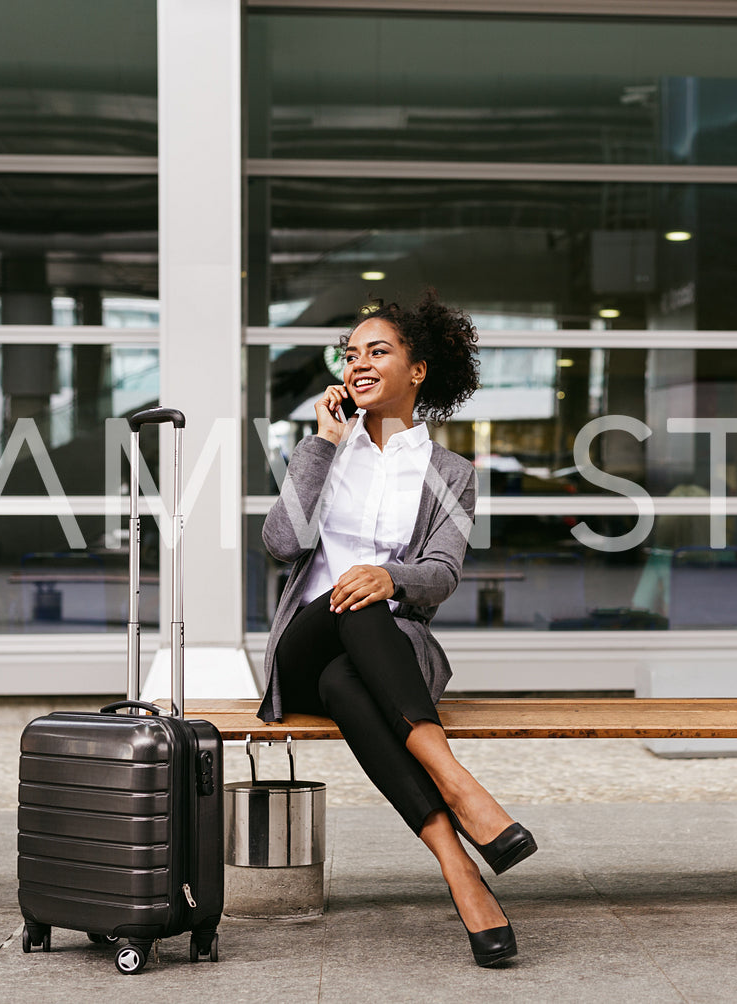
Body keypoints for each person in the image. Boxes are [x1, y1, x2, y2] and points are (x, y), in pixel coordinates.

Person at [258, 291, 532, 968]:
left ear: (418, 371)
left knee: (350, 679)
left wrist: (391, 577)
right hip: (303, 647)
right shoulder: (321, 452)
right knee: (355, 597)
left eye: (377, 351)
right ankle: (460, 786)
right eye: (350, 354)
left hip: (379, 665)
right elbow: (281, 542)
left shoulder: (450, 475)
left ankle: (460, 870)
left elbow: (439, 574)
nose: (358, 363)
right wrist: (323, 442)